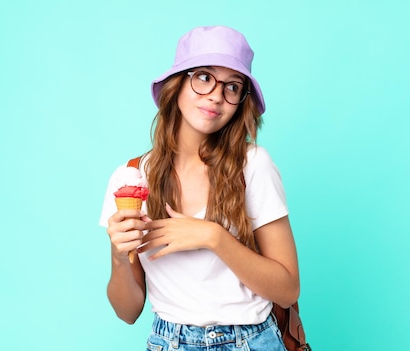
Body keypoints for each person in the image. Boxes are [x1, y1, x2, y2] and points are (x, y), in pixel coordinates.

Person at [99, 25, 300, 351]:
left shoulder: (253, 166)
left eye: (232, 87)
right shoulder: (131, 178)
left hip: (249, 341)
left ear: (240, 101)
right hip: (168, 342)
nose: (217, 96)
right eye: (204, 77)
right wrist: (120, 257)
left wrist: (213, 237)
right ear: (176, 85)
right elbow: (127, 311)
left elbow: (287, 289)